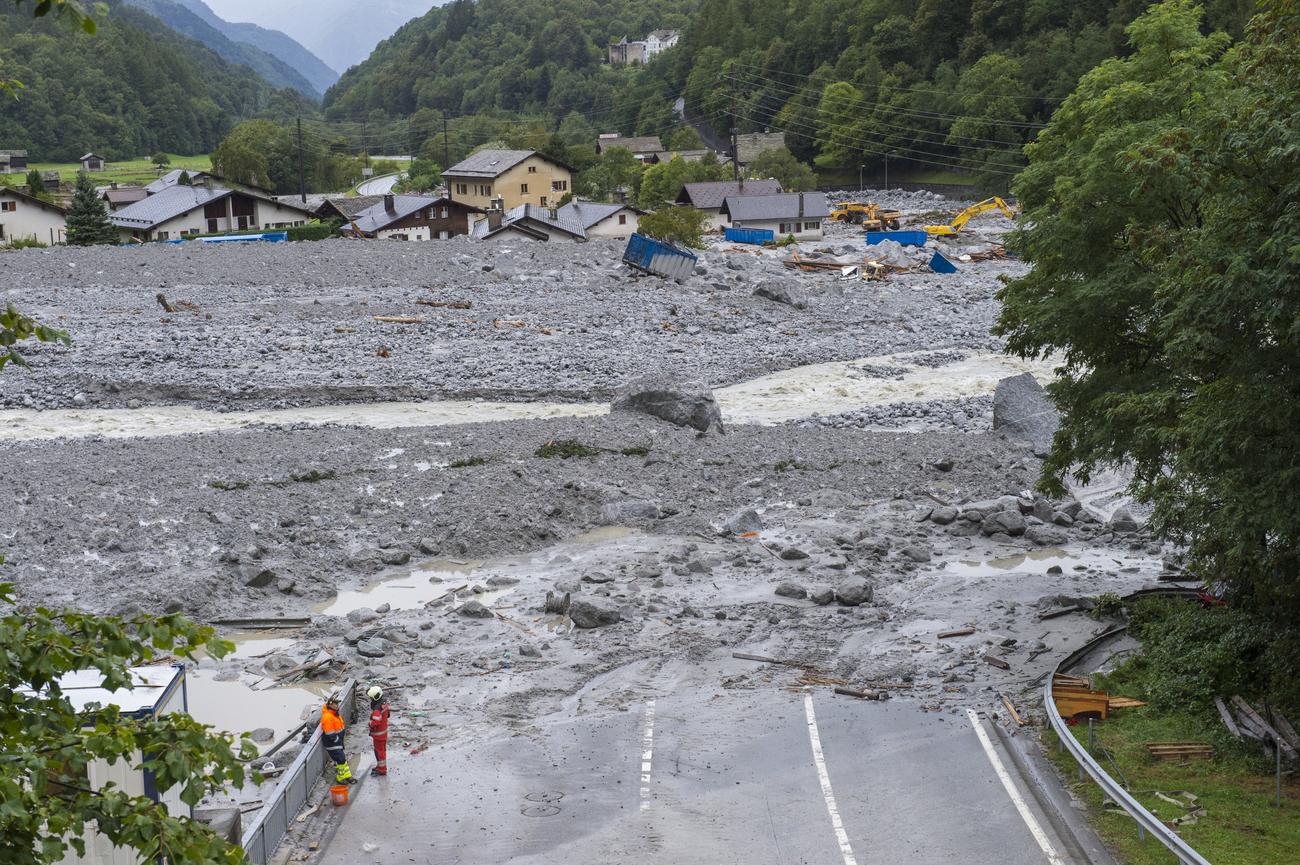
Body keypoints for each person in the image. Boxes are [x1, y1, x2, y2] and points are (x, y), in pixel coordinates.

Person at [320, 694, 354, 785]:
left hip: (338, 742)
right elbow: (330, 733)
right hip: (333, 744)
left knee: (342, 759)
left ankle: (347, 776)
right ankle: (340, 777)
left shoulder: (334, 714)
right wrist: (337, 740)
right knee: (341, 760)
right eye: (336, 704)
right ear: (330, 705)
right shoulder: (328, 717)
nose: (338, 705)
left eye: (337, 703)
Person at [367, 685, 390, 776]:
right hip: (383, 733)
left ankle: (382, 769)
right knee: (381, 751)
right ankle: (380, 767)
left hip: (378, 735)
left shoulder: (377, 709)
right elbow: (387, 715)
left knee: (379, 752)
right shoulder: (384, 704)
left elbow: (376, 722)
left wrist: (370, 724)